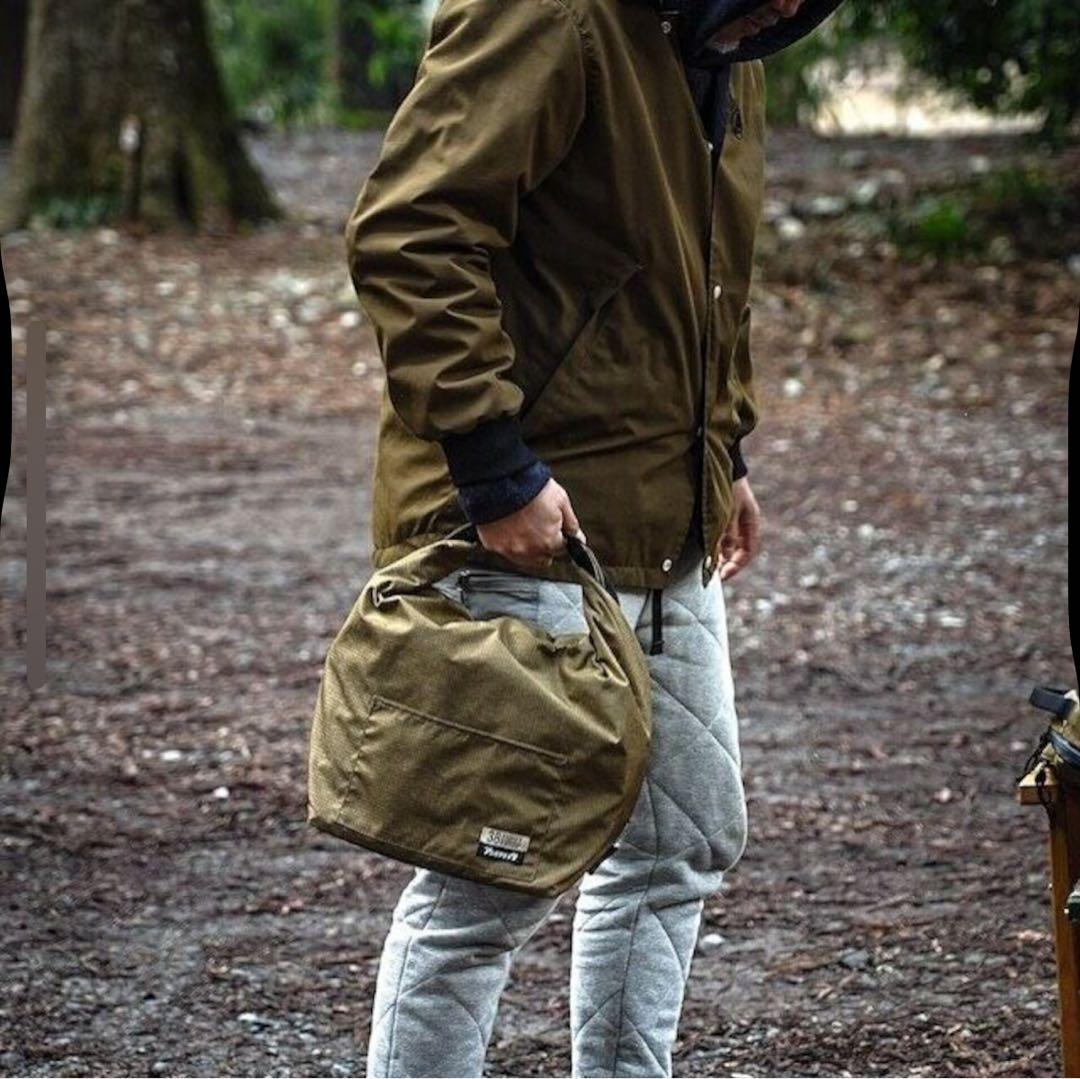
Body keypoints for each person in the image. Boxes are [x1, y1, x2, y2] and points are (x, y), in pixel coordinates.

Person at [344, 1, 842, 1074]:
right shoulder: (550, 13)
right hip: (523, 523)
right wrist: (494, 467)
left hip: (665, 515)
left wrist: (723, 453)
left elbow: (700, 279)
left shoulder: (734, 45)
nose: (785, 9)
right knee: (487, 874)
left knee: (680, 840)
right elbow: (412, 232)